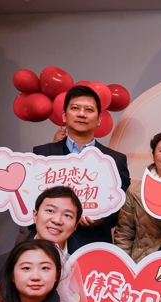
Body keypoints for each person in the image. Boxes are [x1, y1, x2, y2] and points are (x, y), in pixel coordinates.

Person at [30, 85, 131, 247]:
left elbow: (124, 208)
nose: (82, 114)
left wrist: (102, 218)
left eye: (89, 110)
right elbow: (30, 200)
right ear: (64, 116)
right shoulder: (42, 154)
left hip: (92, 243)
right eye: (75, 108)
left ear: (99, 119)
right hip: (46, 242)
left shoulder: (114, 160)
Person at [113, 132, 161, 261]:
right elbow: (124, 234)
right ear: (153, 155)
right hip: (144, 262)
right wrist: (122, 266)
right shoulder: (135, 190)